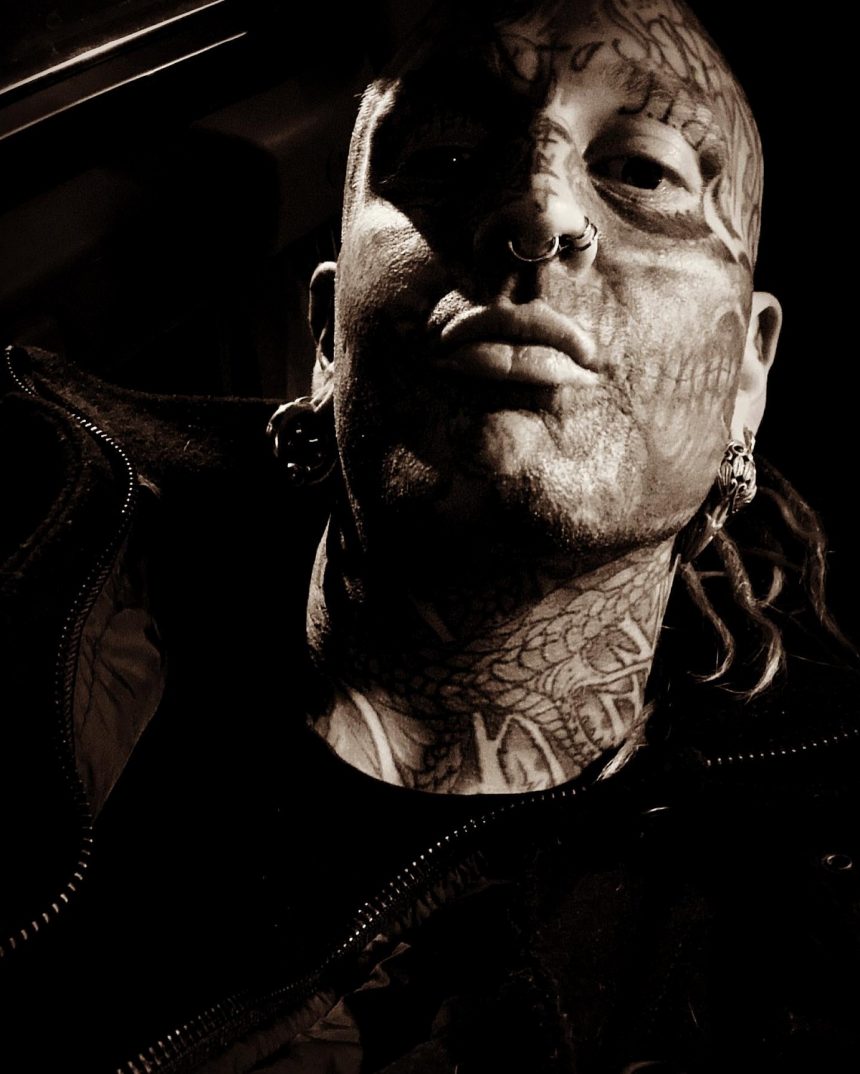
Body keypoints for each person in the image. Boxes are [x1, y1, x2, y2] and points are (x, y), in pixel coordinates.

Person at [1, 1, 858, 1072]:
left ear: (746, 377)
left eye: (642, 172)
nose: (538, 208)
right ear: (326, 335)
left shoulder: (804, 923)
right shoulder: (27, 520)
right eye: (448, 156)